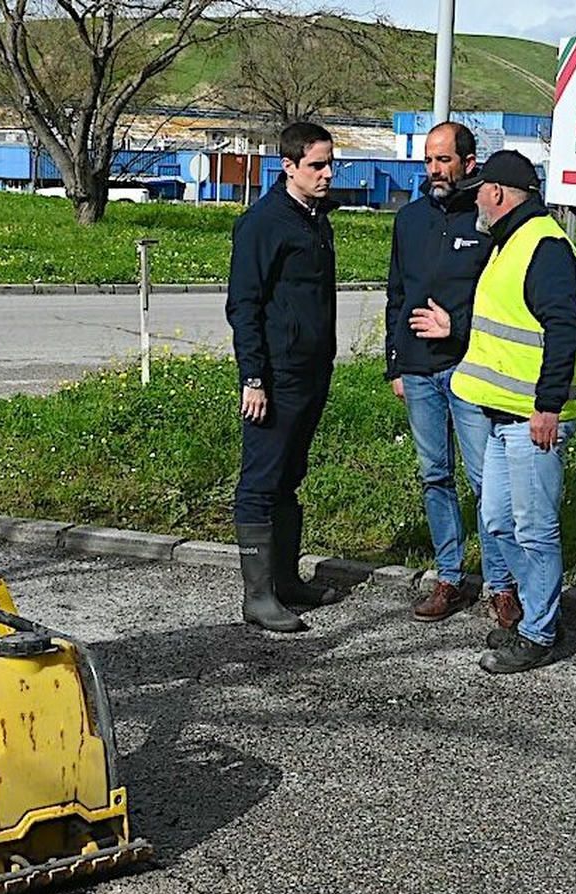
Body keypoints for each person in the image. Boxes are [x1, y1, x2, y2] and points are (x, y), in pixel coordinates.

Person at [414, 149, 576, 673]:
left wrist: (548, 406)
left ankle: (538, 632)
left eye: (480, 195)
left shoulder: (544, 246)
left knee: (534, 529)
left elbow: (565, 331)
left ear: (496, 193)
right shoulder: (510, 242)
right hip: (501, 416)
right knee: (498, 520)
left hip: (533, 420)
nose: (476, 206)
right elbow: (508, 321)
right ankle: (538, 615)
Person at [384, 120, 517, 631]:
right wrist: (395, 363)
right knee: (434, 476)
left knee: (486, 482)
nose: (435, 169)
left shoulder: (485, 220)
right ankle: (449, 577)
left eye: (444, 160)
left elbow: (502, 299)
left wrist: (455, 327)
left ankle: (501, 586)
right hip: (419, 372)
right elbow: (396, 294)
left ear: (468, 162)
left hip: (470, 370)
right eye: (429, 160)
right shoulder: (410, 219)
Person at [226, 120, 345, 632]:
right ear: (289, 166)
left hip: (311, 372)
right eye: (317, 165)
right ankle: (257, 597)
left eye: (330, 163)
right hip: (275, 377)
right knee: (261, 481)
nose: (327, 173)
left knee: (289, 479)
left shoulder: (316, 219)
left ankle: (286, 580)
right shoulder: (263, 223)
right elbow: (244, 306)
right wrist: (253, 377)